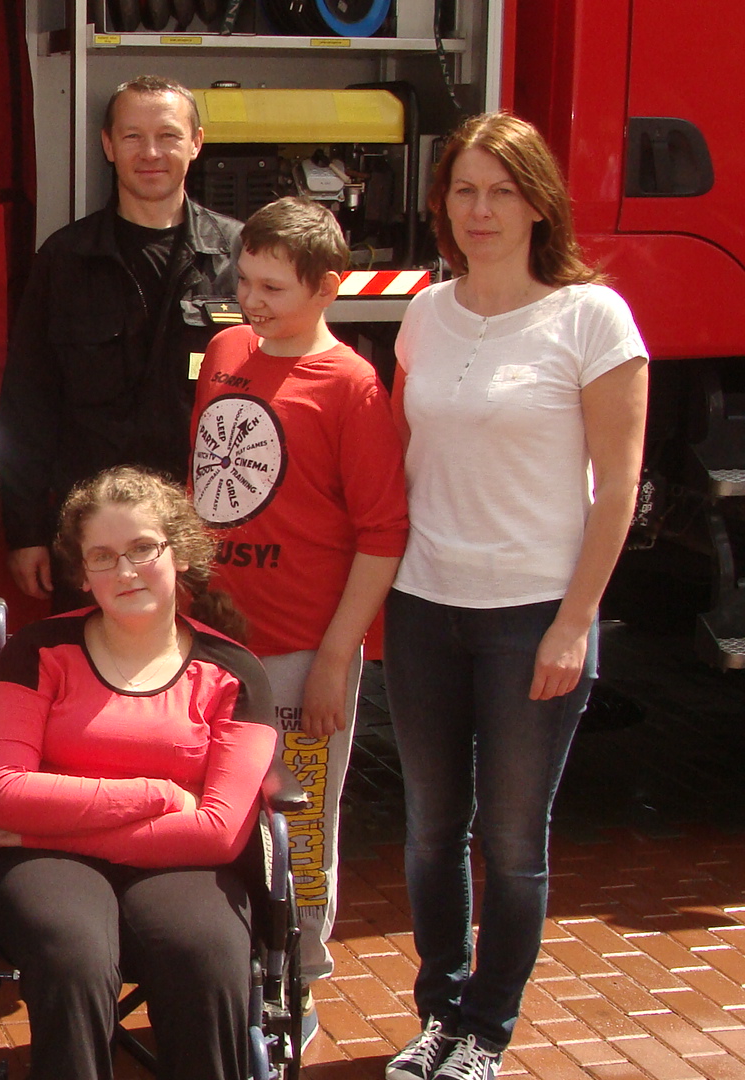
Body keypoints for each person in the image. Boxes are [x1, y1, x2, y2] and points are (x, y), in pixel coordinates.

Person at [381, 113, 647, 1080]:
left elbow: (618, 488)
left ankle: (486, 1031)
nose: (481, 209)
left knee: (511, 839)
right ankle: (438, 1014)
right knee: (429, 829)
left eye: (501, 190)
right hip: (423, 603)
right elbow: (403, 458)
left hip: (534, 614)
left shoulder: (591, 319)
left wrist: (575, 623)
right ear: (442, 204)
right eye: (464, 189)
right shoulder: (426, 313)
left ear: (539, 204)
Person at [0, 466, 278, 1080]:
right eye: (103, 557)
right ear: (83, 573)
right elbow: (7, 793)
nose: (125, 570)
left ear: (179, 553)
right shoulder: (36, 652)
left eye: (143, 548)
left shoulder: (234, 673)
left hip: (174, 863)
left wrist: (48, 826)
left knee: (208, 953)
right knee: (74, 954)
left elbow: (219, 833)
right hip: (48, 866)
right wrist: (156, 794)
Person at [188, 197, 409, 1018]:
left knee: (300, 825)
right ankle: (224, 967)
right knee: (216, 811)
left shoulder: (352, 386)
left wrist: (334, 662)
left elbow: (383, 532)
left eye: (273, 288)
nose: (251, 301)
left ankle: (295, 983)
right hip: (210, 641)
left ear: (327, 288)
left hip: (299, 650)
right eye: (245, 280)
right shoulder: (225, 351)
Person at [0, 74, 242, 614]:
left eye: (168, 135)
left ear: (196, 143)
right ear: (108, 145)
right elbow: (26, 405)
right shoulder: (65, 260)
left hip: (206, 535)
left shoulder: (240, 256)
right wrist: (26, 531)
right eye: (133, 136)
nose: (150, 152)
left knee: (203, 665)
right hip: (93, 540)